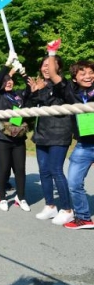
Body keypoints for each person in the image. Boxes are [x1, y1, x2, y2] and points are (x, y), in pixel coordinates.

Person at [45, 39, 94, 229]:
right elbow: (54, 74)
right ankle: (83, 217)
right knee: (74, 182)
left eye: (91, 73)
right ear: (75, 78)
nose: (89, 76)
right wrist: (51, 53)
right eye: (83, 73)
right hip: (83, 145)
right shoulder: (70, 92)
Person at [27, 55, 74, 225]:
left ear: (58, 67)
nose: (46, 68)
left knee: (56, 170)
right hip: (42, 134)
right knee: (44, 171)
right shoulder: (42, 86)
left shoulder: (64, 84)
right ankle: (50, 205)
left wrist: (52, 52)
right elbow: (31, 108)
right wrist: (34, 92)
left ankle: (67, 209)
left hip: (59, 133)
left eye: (50, 65)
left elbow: (62, 94)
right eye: (43, 65)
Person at [0, 52, 31, 212]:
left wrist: (22, 72)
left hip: (19, 138)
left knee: (20, 169)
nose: (8, 82)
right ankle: (2, 197)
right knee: (4, 169)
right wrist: (7, 65)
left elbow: (30, 88)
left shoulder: (19, 95)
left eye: (10, 80)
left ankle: (21, 197)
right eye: (5, 81)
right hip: (3, 138)